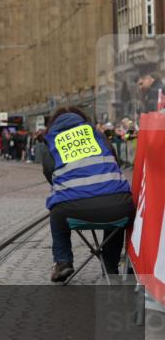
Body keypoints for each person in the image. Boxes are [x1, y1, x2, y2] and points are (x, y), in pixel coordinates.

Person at [37, 106, 134, 282]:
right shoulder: (98, 135)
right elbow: (115, 161)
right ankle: (110, 266)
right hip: (119, 206)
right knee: (117, 211)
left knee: (56, 213)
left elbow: (49, 173)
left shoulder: (51, 140)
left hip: (73, 208)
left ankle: (63, 262)